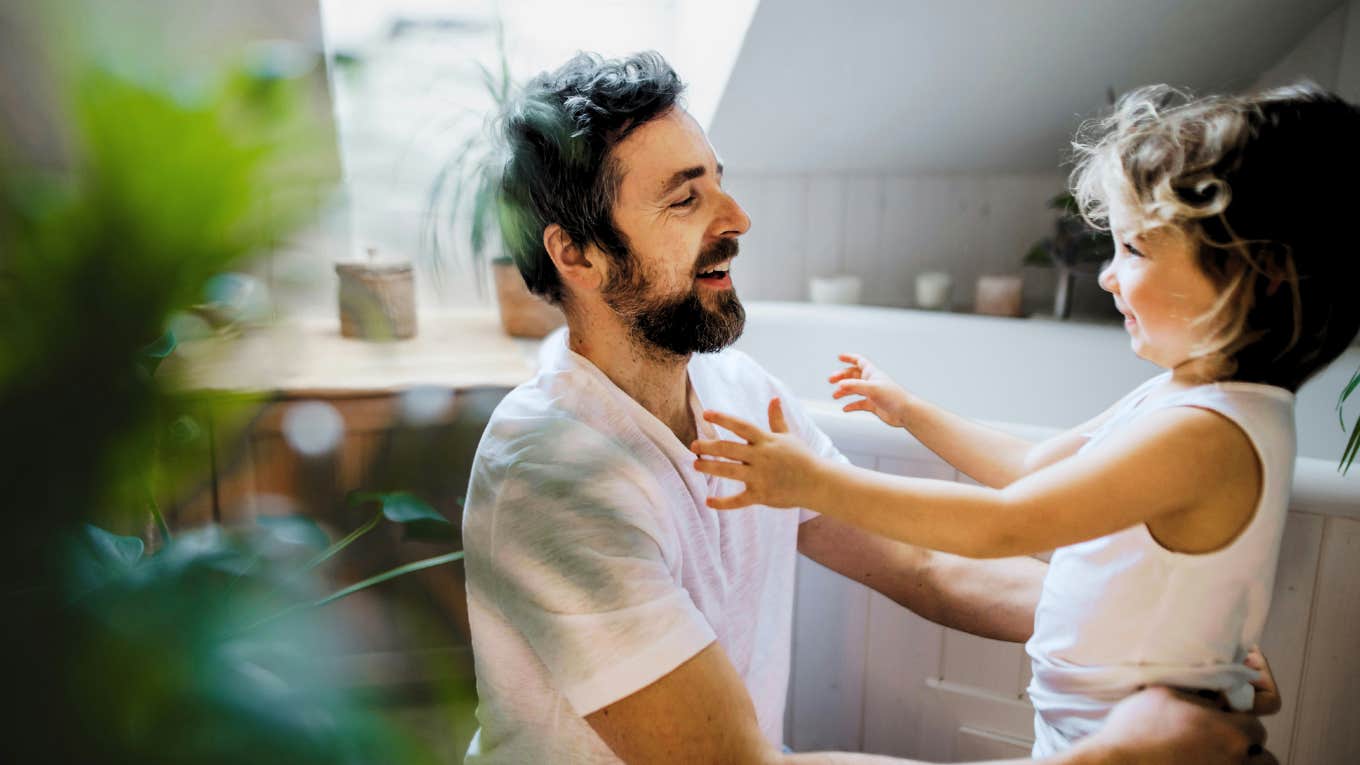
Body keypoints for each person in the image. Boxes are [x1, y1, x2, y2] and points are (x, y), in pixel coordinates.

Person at [462, 52, 1278, 763]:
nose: (738, 220)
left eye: (721, 182)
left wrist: (1149, 639)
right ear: (578, 255)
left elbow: (919, 561)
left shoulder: (736, 390)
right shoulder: (555, 479)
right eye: (685, 201)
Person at [692, 83, 1360, 756]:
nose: (1107, 276)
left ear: (1259, 274)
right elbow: (1032, 467)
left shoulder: (1207, 435)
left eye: (1135, 250)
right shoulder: (1184, 397)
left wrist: (816, 484)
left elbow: (1006, 524)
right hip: (1089, 730)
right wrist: (911, 413)